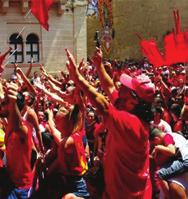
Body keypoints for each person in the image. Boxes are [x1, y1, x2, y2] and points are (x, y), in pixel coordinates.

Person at [65, 48, 155, 199]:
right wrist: (99, 65)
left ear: (133, 100)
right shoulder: (129, 108)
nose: (121, 87)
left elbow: (104, 107)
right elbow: (110, 88)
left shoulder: (133, 125)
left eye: (127, 88)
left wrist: (78, 79)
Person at [0, 82, 34, 199]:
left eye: (4, 103)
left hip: (21, 188)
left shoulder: (24, 128)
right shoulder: (9, 123)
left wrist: (12, 101)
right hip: (10, 180)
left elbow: (18, 126)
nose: (0, 105)